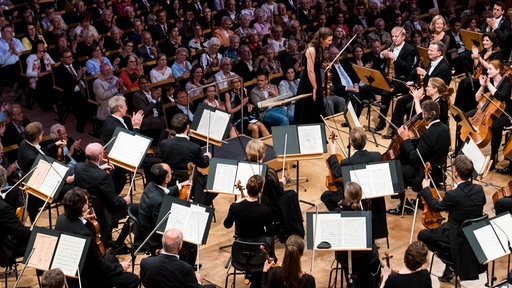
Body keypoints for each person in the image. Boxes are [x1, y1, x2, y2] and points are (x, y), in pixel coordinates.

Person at [418, 155, 486, 283]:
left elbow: (435, 206)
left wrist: (426, 189)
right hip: (473, 233)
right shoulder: (479, 190)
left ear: (455, 173)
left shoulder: (453, 195)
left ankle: (451, 262)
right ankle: (452, 262)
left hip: (458, 235)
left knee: (423, 235)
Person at [55, 187, 139, 288]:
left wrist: (82, 219)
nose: (89, 204)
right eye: (87, 202)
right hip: (88, 278)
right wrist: (120, 267)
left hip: (71, 270)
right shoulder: (84, 233)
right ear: (83, 208)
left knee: (112, 258)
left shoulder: (61, 219)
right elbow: (98, 265)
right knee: (133, 279)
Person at [321, 127, 388, 240]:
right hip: (375, 197)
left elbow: (337, 173)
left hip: (356, 196)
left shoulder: (347, 162)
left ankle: (346, 222)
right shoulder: (377, 156)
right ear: (365, 140)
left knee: (326, 196)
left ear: (351, 143)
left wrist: (333, 153)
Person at [387, 100, 450, 215]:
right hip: (437, 170)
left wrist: (406, 139)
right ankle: (419, 200)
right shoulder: (445, 128)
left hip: (423, 174)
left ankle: (404, 205)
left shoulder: (428, 134)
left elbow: (415, 158)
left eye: (423, 113)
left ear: (427, 115)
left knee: (394, 169)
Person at [383, 40, 451, 138]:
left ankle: (413, 133)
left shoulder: (444, 68)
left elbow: (438, 86)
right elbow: (427, 81)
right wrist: (414, 83)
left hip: (433, 97)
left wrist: (425, 74)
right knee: (401, 101)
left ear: (439, 53)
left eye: (431, 51)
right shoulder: (433, 61)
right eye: (429, 50)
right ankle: (395, 131)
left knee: (409, 106)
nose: (428, 52)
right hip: (425, 92)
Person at [70, 142, 130, 247]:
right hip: (101, 211)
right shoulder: (104, 177)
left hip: (82, 205)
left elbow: (90, 173)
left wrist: (100, 168)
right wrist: (125, 200)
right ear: (100, 156)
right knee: (132, 208)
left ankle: (109, 237)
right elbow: (115, 202)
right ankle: (118, 243)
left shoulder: (78, 167)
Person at [245, 139, 304, 240]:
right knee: (291, 195)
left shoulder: (244, 167)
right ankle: (294, 230)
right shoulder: (268, 172)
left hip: (250, 200)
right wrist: (282, 182)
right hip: (267, 204)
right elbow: (277, 192)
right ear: (262, 154)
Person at [224, 174, 274, 288]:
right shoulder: (265, 210)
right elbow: (270, 233)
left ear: (246, 188)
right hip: (258, 252)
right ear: (261, 190)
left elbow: (227, 225)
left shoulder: (235, 207)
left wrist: (235, 205)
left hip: (239, 253)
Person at [159, 113, 215, 206]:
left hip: (170, 180)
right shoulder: (194, 147)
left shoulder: (164, 143)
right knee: (213, 182)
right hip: (191, 182)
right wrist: (207, 156)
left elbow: (162, 159)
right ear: (188, 127)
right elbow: (203, 164)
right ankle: (201, 204)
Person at [335, 182, 381, 288]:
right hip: (365, 258)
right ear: (360, 196)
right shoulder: (369, 216)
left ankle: (350, 282)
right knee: (374, 253)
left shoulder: (337, 213)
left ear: (345, 197)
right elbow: (372, 240)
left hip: (344, 257)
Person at [468, 60, 511, 170]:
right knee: (465, 117)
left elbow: (501, 97)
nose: (487, 71)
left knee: (496, 126)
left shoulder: (507, 82)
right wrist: (482, 86)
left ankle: (493, 156)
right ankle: (464, 150)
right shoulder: (489, 80)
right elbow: (477, 98)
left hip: (505, 112)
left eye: (490, 69)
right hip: (487, 110)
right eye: (488, 69)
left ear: (498, 70)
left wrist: (489, 84)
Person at [17, 122, 65, 222]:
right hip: (38, 185)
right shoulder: (32, 157)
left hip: (38, 173)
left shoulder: (25, 143)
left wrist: (55, 145)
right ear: (39, 137)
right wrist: (64, 178)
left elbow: (41, 152)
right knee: (69, 188)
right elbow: (43, 171)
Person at [140, 228, 216, 288]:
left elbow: (145, 282)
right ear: (180, 246)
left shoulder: (145, 262)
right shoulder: (186, 269)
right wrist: (198, 282)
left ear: (162, 241)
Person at [375, 26, 417, 133]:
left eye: (396, 36)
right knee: (367, 87)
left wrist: (396, 58)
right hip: (387, 76)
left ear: (403, 37)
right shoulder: (390, 45)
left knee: (385, 93)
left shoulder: (410, 49)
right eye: (392, 36)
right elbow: (378, 62)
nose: (393, 39)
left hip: (401, 80)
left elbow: (408, 68)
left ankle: (382, 121)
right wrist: (382, 55)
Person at [139, 163, 189, 248]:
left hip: (145, 224)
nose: (172, 173)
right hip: (153, 235)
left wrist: (180, 185)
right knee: (189, 242)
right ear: (166, 179)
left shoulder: (151, 184)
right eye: (170, 173)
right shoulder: (159, 201)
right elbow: (162, 226)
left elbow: (165, 191)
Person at [453, 32, 502, 114]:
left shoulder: (497, 54)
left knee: (467, 84)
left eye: (487, 40)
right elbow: (476, 67)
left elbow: (490, 67)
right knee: (463, 82)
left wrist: (480, 58)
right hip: (478, 76)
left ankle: (467, 110)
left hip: (488, 79)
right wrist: (475, 57)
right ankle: (458, 109)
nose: (484, 42)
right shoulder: (483, 52)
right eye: (483, 40)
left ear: (492, 42)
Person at [295, 27, 332, 124]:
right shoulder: (311, 49)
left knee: (318, 109)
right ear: (321, 39)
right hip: (309, 82)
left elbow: (316, 64)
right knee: (309, 109)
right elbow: (310, 70)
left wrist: (323, 65)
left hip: (316, 79)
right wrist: (315, 88)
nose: (330, 42)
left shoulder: (320, 48)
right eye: (328, 40)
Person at [0, 166, 30, 268]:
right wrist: (34, 231)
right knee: (38, 240)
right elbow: (21, 233)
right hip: (3, 251)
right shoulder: (4, 208)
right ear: (3, 181)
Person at [132, 76, 165, 145]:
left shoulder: (153, 90)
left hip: (157, 116)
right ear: (140, 85)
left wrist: (159, 98)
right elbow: (143, 112)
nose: (146, 85)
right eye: (143, 83)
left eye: (147, 82)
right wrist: (154, 100)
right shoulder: (137, 96)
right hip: (147, 119)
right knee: (159, 123)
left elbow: (161, 106)